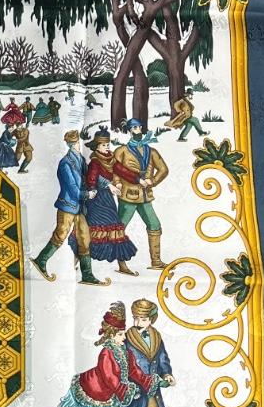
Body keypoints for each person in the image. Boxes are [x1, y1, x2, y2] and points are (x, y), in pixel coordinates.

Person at [29, 130, 101, 285]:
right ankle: (41, 260)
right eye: (77, 143)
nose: (79, 145)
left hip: (80, 208)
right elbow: (73, 189)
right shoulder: (65, 163)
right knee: (60, 234)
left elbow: (89, 177)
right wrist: (87, 195)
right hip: (67, 206)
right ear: (72, 144)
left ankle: (87, 275)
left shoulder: (81, 159)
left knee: (84, 238)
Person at [70, 129, 138, 275]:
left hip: (107, 200)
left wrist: (138, 179)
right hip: (95, 201)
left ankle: (122, 266)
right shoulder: (95, 162)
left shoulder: (110, 159)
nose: (107, 147)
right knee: (88, 232)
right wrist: (108, 185)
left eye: (107, 144)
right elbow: (91, 180)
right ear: (97, 147)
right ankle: (74, 263)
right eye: (103, 145)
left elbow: (123, 171)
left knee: (116, 231)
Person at [113, 120, 169, 270]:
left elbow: (163, 170)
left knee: (155, 225)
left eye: (139, 127)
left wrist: (153, 181)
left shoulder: (152, 151)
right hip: (128, 196)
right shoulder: (121, 151)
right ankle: (121, 262)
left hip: (145, 196)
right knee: (119, 228)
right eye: (134, 128)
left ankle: (156, 261)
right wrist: (117, 183)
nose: (137, 130)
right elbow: (114, 169)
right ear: (129, 131)